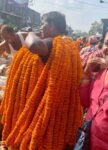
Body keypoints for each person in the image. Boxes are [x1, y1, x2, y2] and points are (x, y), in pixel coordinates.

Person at [0, 11, 83, 150]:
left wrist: (30, 33)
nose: (41, 27)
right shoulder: (69, 47)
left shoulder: (53, 43)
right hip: (52, 108)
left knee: (34, 139)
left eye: (43, 24)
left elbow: (34, 46)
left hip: (39, 111)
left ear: (51, 25)